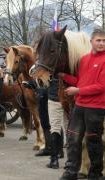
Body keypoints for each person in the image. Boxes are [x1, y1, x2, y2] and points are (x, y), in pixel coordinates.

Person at [60, 29, 105, 180]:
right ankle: (70, 172)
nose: (101, 43)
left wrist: (78, 90)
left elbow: (101, 86)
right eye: (98, 40)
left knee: (93, 142)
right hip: (80, 106)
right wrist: (64, 76)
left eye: (104, 41)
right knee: (73, 140)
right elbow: (80, 80)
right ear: (91, 41)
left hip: (96, 108)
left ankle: (95, 174)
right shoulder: (84, 59)